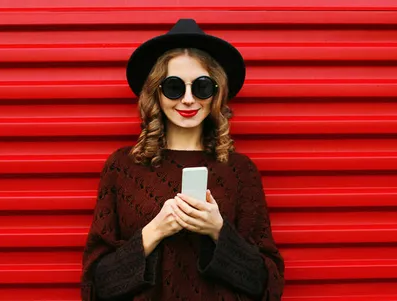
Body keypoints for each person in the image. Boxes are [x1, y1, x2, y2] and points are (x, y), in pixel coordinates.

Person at [80, 18, 285, 301]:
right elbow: (96, 285)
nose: (188, 99)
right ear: (157, 93)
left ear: (216, 92)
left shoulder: (241, 171)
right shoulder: (122, 167)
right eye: (174, 87)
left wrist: (218, 231)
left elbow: (267, 284)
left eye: (201, 87)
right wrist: (154, 231)